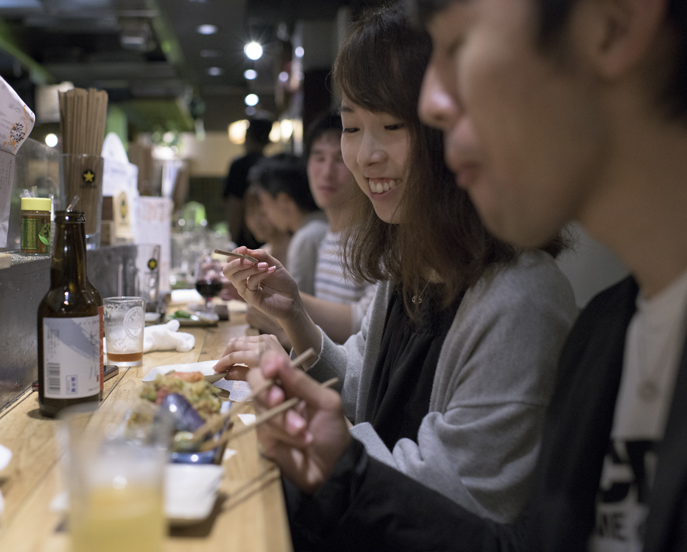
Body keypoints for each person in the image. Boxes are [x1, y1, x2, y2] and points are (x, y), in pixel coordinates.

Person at [243, 0, 687, 549]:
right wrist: (297, 335)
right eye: (351, 125)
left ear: (615, 22)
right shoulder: (607, 333)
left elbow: (474, 510)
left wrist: (340, 465)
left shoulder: (531, 300)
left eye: (459, 46)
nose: (436, 104)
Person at [218, 3, 576, 531]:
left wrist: (317, 434)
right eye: (351, 126)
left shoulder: (521, 299)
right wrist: (294, 318)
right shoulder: (408, 268)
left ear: (447, 126)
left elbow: (457, 499)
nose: (364, 156)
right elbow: (363, 397)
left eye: (391, 125)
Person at [246, 111, 378, 344]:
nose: (327, 173)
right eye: (318, 158)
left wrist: (283, 298)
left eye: (340, 160)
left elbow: (367, 325)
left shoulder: (375, 238)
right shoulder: (328, 236)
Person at [250, 153, 328, 296]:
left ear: (284, 201)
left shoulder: (305, 238)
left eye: (265, 204)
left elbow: (297, 307)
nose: (265, 212)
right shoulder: (322, 223)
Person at [223, 118, 272, 249]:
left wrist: (232, 240)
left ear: (247, 135)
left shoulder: (239, 166)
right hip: (270, 238)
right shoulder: (271, 166)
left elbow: (235, 204)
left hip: (244, 239)